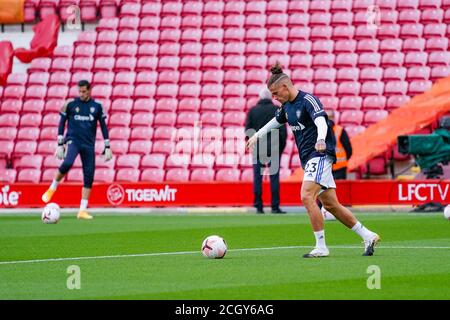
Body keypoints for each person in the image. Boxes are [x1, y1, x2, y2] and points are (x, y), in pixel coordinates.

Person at [246, 63, 380, 257]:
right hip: (308, 158)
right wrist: (257, 135)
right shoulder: (286, 106)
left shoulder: (309, 100)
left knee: (306, 196)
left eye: (275, 93)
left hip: (319, 155)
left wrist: (320, 140)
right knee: (332, 205)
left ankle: (321, 247)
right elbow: (276, 122)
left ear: (285, 86)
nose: (274, 98)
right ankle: (368, 235)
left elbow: (320, 121)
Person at [41, 80, 113, 220]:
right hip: (73, 141)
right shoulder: (71, 104)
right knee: (67, 163)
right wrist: (60, 143)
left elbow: (103, 126)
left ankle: (82, 210)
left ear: (89, 90)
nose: (81, 94)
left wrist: (107, 145)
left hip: (88, 144)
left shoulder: (97, 106)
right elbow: (62, 123)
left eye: (84, 91)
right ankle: (52, 188)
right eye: (79, 91)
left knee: (89, 175)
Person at [245, 88, 287, 214]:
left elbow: (248, 130)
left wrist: (251, 145)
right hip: (274, 147)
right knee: (274, 178)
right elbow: (283, 131)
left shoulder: (253, 111)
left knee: (257, 178)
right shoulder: (276, 110)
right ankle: (275, 206)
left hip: (258, 147)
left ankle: (258, 206)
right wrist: (281, 147)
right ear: (270, 97)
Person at [326, 110, 352, 180]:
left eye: (330, 117)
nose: (329, 119)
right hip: (327, 168)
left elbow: (348, 149)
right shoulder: (321, 132)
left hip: (340, 167)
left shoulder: (340, 130)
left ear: (334, 118)